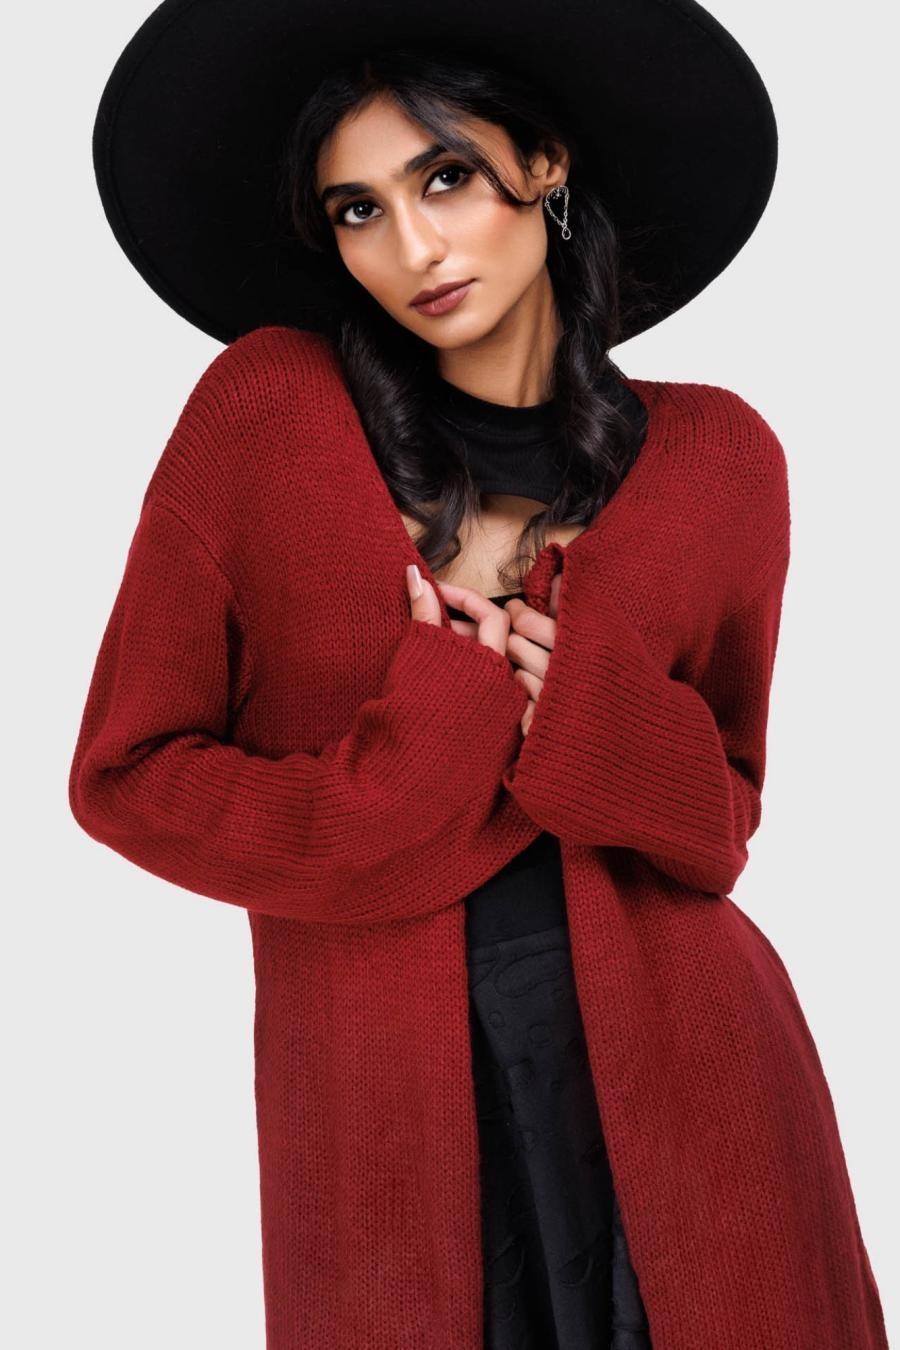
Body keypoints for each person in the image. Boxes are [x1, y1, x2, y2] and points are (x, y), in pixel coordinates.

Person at [70, 3, 888, 1347]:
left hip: (698, 1080)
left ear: (544, 165)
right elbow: (127, 775)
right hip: (381, 1099)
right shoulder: (268, 412)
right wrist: (407, 762)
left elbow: (724, 820)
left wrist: (596, 721)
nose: (413, 247)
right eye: (359, 210)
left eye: (445, 176)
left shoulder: (718, 456)